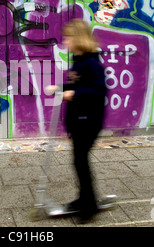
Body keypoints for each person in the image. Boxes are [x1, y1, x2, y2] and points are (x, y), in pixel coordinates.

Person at [47, 19, 107, 223]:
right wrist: (61, 88)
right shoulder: (79, 59)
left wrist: (73, 94)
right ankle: (85, 200)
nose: (65, 41)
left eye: (68, 38)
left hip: (88, 121)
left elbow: (98, 91)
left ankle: (88, 206)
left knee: (81, 162)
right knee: (80, 162)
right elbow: (77, 84)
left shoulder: (91, 62)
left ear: (78, 39)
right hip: (79, 120)